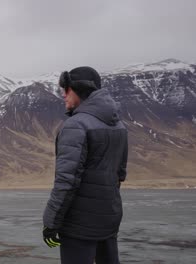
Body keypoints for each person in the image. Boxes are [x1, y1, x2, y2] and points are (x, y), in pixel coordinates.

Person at [42, 66, 128, 264]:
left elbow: (66, 181)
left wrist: (50, 223)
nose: (63, 95)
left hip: (79, 225)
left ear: (78, 89)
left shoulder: (76, 125)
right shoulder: (119, 125)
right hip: (109, 218)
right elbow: (119, 175)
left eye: (67, 89)